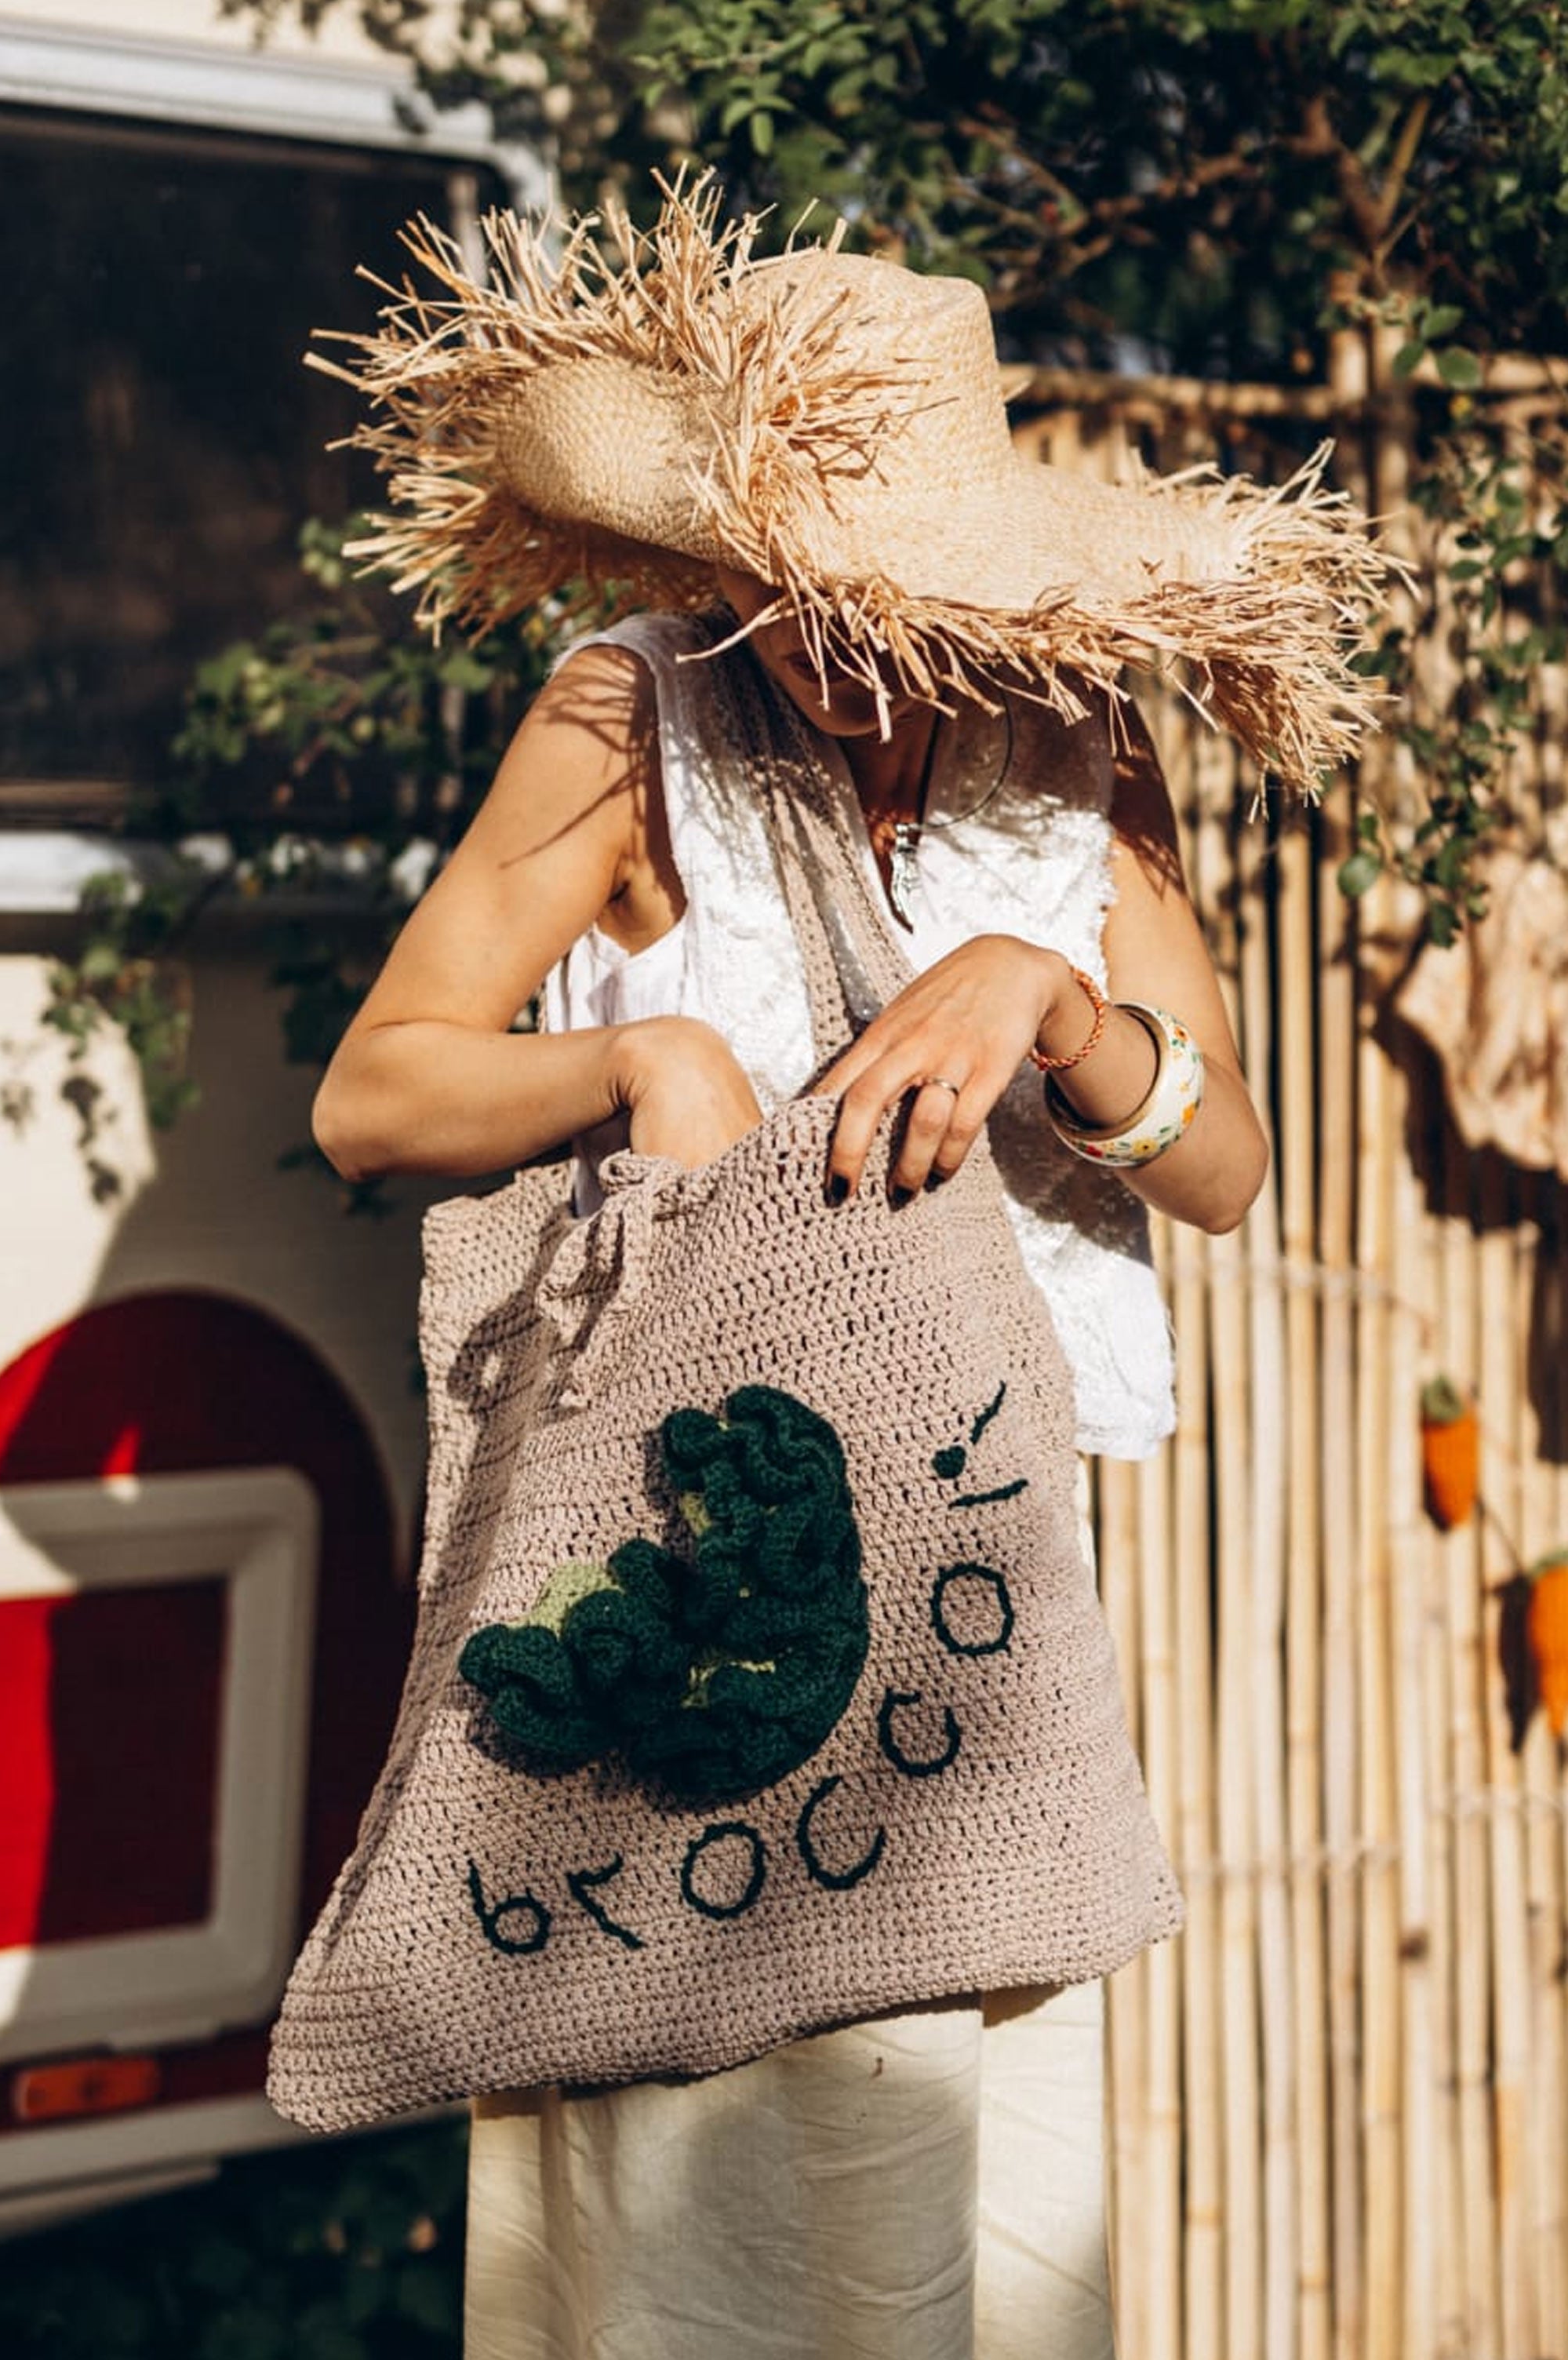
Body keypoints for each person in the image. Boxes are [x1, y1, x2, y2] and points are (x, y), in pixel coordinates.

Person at [304, 177, 1381, 2360]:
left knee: (962, 2229)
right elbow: (376, 1096)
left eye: (881, 593)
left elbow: (1236, 1167)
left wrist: (1052, 1005)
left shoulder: (1080, 756)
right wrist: (645, 1060)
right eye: (789, 589)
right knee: (699, 2230)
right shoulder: (630, 721)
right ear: (715, 558)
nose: (835, 641)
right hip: (694, 1573)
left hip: (978, 1616)